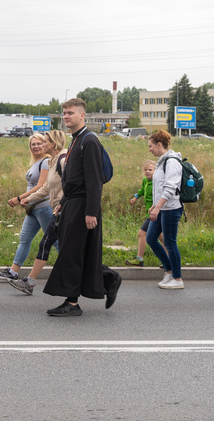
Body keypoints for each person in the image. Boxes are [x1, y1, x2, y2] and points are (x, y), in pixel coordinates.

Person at [42, 99, 121, 316]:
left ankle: (73, 303)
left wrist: (91, 212)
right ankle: (108, 279)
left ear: (82, 116)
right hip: (73, 204)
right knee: (78, 253)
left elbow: (94, 180)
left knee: (72, 253)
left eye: (70, 113)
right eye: (64, 113)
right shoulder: (76, 140)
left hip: (84, 206)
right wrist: (62, 204)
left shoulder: (90, 141)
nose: (66, 116)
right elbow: (73, 179)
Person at [10, 130, 67, 294]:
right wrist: (28, 199)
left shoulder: (63, 161)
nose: (41, 144)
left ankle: (104, 275)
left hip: (62, 211)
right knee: (49, 244)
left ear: (52, 144)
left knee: (56, 245)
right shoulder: (53, 162)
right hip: (57, 210)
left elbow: (70, 186)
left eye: (45, 141)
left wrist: (61, 205)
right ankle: (30, 282)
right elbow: (47, 188)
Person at [0, 133, 52, 280]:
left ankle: (75, 269)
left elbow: (41, 186)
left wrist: (20, 198)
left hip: (43, 206)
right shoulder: (36, 162)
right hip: (32, 208)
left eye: (39, 143)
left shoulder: (46, 161)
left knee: (55, 242)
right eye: (33, 144)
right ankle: (13, 271)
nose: (36, 146)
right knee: (24, 239)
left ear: (45, 145)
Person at [145, 129, 185, 289]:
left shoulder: (172, 162)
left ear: (159, 144)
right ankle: (169, 271)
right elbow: (160, 187)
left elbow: (170, 188)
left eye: (150, 146)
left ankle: (177, 278)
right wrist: (155, 206)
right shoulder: (162, 161)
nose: (149, 149)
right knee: (150, 238)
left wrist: (158, 207)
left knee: (169, 242)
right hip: (162, 208)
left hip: (171, 208)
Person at [125, 159, 158, 266]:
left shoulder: (157, 182)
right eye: (145, 170)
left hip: (156, 212)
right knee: (161, 237)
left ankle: (139, 259)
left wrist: (155, 207)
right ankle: (168, 260)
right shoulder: (145, 181)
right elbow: (142, 191)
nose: (147, 171)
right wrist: (136, 197)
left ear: (156, 171)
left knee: (141, 234)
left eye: (150, 169)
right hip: (150, 212)